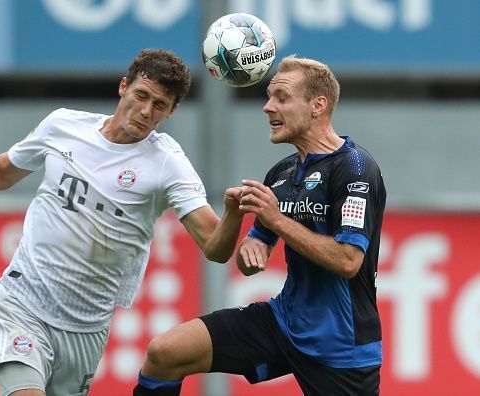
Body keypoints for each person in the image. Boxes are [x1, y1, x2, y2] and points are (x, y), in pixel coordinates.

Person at [0, 49, 247, 396]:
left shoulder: (167, 163)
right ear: (123, 87)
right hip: (23, 301)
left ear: (172, 110)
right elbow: (1, 172)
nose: (147, 111)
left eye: (160, 105)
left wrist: (234, 215)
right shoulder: (63, 126)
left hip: (86, 325)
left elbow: (214, 247)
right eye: (141, 95)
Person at [133, 55, 386, 396]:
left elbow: (347, 261)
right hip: (283, 321)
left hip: (340, 346)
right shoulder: (281, 173)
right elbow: (251, 255)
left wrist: (276, 220)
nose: (268, 107)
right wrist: (251, 247)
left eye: (281, 98)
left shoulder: (356, 168)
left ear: (317, 105)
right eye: (269, 97)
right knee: (165, 353)